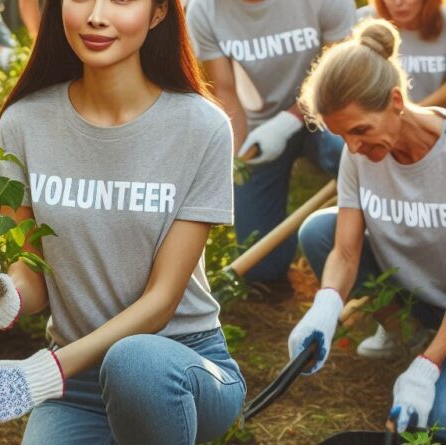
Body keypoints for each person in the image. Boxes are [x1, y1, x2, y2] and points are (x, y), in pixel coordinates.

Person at [0, 0, 246, 442]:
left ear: (160, 12)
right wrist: (4, 297)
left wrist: (41, 375)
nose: (96, 15)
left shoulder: (201, 128)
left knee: (134, 364)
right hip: (77, 383)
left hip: (177, 365)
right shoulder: (24, 123)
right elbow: (31, 272)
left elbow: (162, 301)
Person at [289, 19, 446, 438]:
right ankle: (407, 335)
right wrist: (323, 308)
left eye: (360, 131)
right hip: (420, 290)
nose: (354, 148)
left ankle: (428, 354)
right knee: (317, 232)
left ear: (396, 100)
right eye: (343, 137)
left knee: (437, 424)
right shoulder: (358, 153)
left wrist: (429, 367)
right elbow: (343, 251)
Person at [185, 0, 356, 283]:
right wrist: (238, 156)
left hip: (329, 108)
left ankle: (367, 237)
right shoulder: (205, 10)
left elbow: (344, 70)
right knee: (261, 269)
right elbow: (227, 91)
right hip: (261, 127)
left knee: (346, 152)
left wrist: (291, 118)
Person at [353, 0, 446, 357]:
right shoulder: (365, 24)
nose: (399, 2)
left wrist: (406, 114)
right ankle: (405, 329)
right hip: (388, 130)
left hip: (425, 136)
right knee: (320, 232)